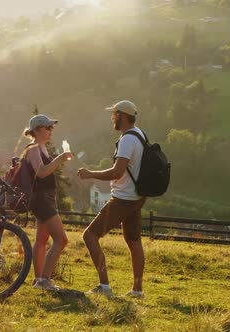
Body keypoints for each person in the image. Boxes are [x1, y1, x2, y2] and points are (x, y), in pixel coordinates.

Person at [77, 100, 147, 299]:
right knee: (134, 241)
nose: (112, 118)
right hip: (137, 197)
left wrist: (90, 173)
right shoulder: (140, 135)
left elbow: (117, 172)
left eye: (114, 114)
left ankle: (104, 286)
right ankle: (137, 290)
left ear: (122, 116)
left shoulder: (127, 140)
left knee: (89, 236)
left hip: (123, 198)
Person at [23, 114, 73, 291]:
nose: (51, 130)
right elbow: (41, 172)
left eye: (51, 127)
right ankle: (44, 279)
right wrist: (60, 159)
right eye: (47, 127)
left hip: (46, 198)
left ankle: (38, 280)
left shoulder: (41, 148)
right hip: (43, 200)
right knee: (61, 239)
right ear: (37, 130)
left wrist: (57, 159)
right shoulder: (33, 148)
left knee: (42, 239)